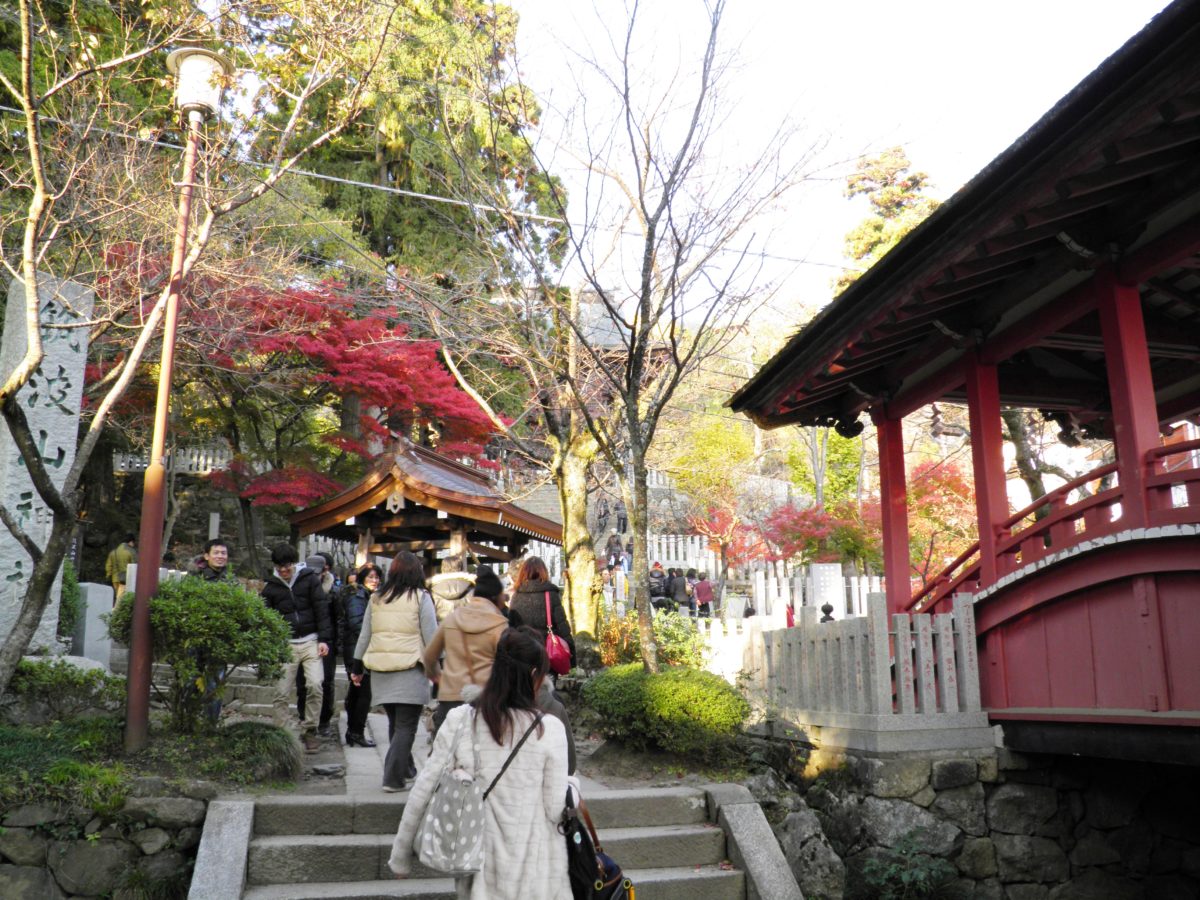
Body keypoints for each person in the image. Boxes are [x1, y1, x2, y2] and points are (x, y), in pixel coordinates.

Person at [389, 628, 572, 899]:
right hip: (536, 873)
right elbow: (556, 808)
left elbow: (424, 789)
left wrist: (400, 857)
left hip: (479, 869)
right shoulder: (549, 730)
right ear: (534, 676)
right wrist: (574, 789)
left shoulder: (461, 721)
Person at [351, 550, 438, 792]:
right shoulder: (421, 598)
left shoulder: (377, 598)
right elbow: (432, 636)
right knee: (406, 726)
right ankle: (392, 778)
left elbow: (365, 634)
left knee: (396, 724)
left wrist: (357, 666)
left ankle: (407, 770)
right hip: (410, 668)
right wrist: (440, 668)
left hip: (380, 670)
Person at [260, 543, 332, 752]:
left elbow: (321, 609)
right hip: (286, 644)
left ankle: (310, 730)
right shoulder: (271, 587)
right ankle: (283, 732)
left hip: (311, 640)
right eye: (279, 567)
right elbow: (267, 618)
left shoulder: (308, 579)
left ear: (294, 564)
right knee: (281, 691)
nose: (284, 571)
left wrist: (324, 639)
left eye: (287, 566)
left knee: (315, 684)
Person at [422, 565, 509, 738]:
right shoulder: (500, 624)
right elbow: (506, 664)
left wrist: (437, 676)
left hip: (451, 696)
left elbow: (429, 655)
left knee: (447, 755)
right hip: (486, 698)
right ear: (495, 597)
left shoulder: (452, 619)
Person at [506, 557, 575, 669]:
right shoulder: (551, 594)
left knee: (526, 685)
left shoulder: (517, 596)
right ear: (543, 572)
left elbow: (511, 628)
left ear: (523, 572)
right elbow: (562, 626)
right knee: (547, 684)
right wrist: (572, 654)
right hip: (547, 652)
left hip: (523, 653)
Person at [297, 552, 339, 736]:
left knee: (326, 682)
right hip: (304, 639)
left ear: (325, 571)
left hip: (327, 642)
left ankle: (324, 720)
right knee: (303, 682)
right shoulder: (301, 588)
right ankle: (304, 717)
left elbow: (338, 620)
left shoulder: (334, 592)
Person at [341, 563, 381, 748]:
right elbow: (357, 624)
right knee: (363, 691)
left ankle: (353, 731)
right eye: (371, 577)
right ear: (363, 578)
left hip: (358, 648)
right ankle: (356, 731)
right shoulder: (358, 596)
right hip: (358, 649)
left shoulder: (365, 595)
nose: (375, 580)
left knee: (358, 691)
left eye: (377, 577)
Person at [105, 533, 136, 600]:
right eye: (134, 543)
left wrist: (108, 576)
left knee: (118, 597)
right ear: (130, 541)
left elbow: (109, 566)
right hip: (126, 579)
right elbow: (134, 566)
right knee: (121, 600)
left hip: (115, 579)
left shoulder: (113, 552)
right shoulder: (131, 552)